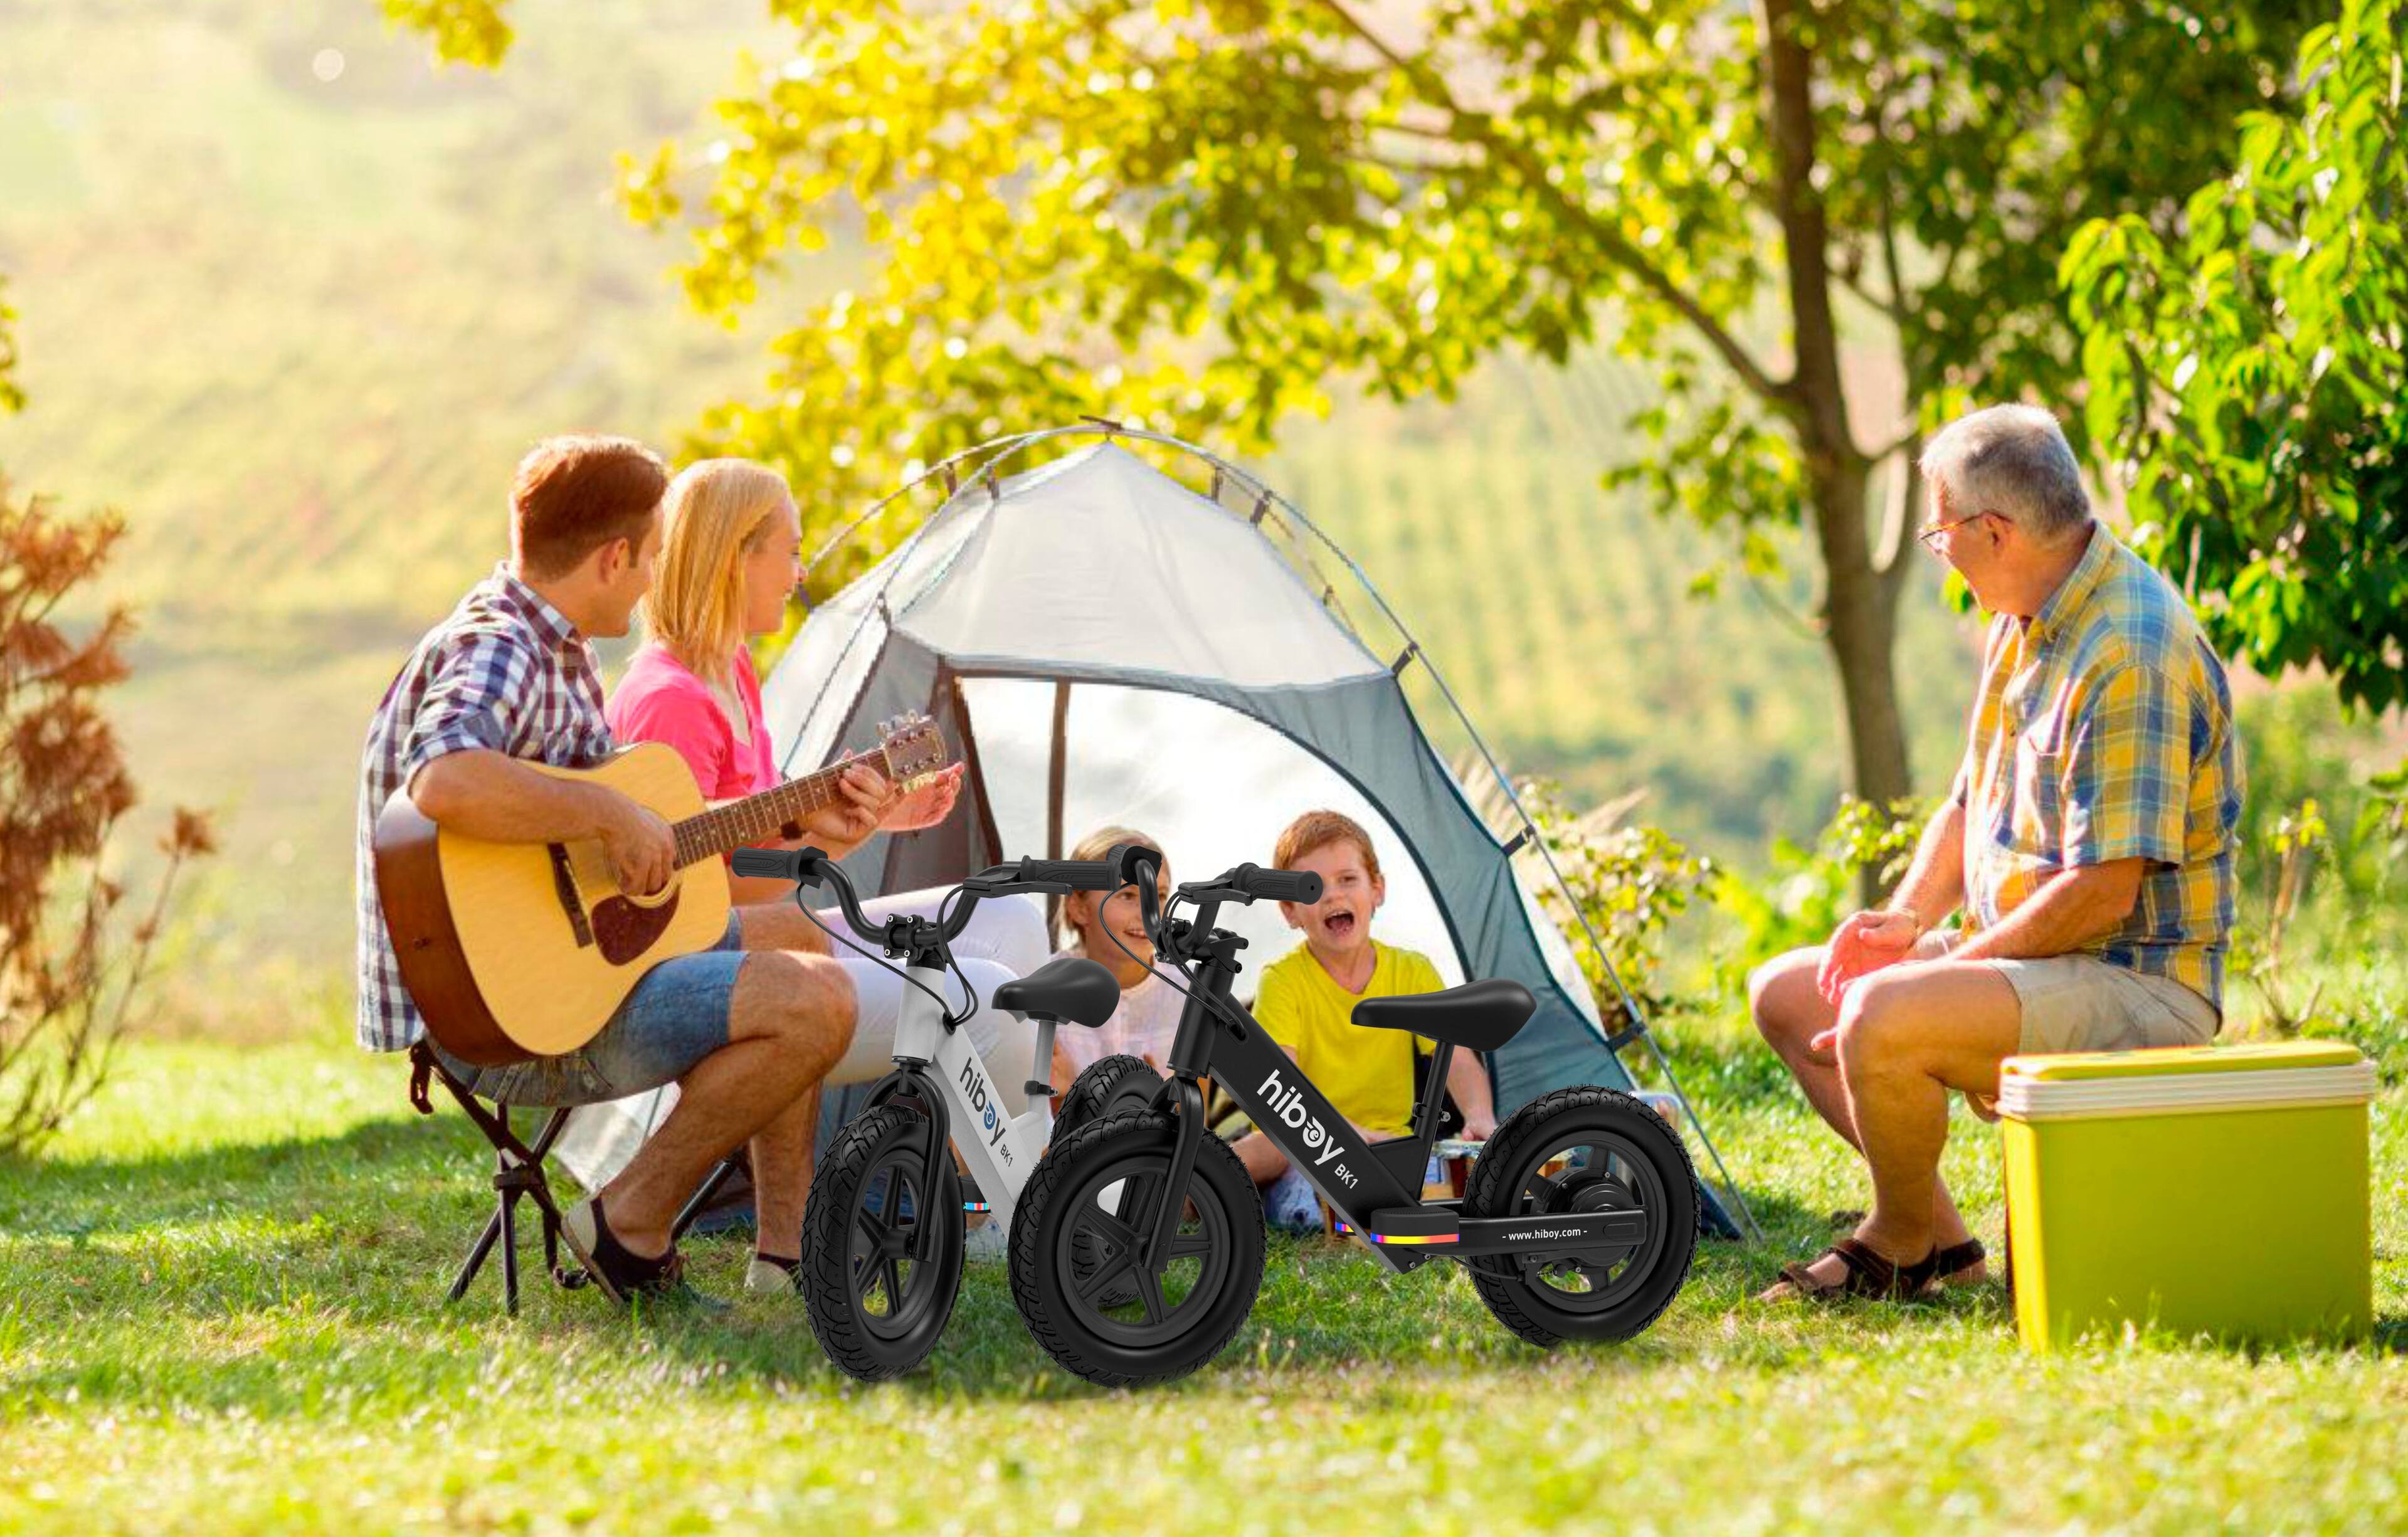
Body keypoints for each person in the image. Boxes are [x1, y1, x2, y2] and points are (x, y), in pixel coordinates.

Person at [1750, 404, 2241, 1304]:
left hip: (2139, 980)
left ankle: (1894, 1241)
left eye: (1942, 534)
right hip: (2043, 952)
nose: (1942, 552)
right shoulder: (2027, 611)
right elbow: (1968, 801)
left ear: (1996, 530)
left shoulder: (2128, 648)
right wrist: (1903, 924)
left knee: (1879, 1015)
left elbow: (2101, 893)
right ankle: (1941, 1240)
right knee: (1789, 990)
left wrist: (1943, 981)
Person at [358, 436, 863, 1304]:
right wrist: (606, 811)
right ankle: (629, 1219)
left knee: (799, 933)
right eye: (650, 559)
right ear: (613, 556)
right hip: (503, 1018)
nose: (652, 582)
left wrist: (799, 819)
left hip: (564, 970)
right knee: (817, 998)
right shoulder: (500, 646)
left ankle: (785, 1258)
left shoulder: (557, 652)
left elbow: (644, 843)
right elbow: (444, 775)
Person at [589, 457, 1050, 1289]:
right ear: (738, 554)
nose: (800, 576)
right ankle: (1026, 1209)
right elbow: (693, 908)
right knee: (985, 994)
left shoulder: (731, 677)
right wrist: (831, 842)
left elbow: (758, 871)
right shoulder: (669, 700)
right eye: (790, 553)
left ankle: (1000, 1197)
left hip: (761, 938)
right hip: (701, 977)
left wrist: (866, 820)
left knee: (1014, 917)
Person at [1232, 810, 1497, 1230]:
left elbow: (1458, 1060)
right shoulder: (1281, 980)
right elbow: (1279, 1090)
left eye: (1347, 879)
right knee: (1282, 1172)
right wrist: (1344, 1134)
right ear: (1289, 911)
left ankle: (1324, 1208)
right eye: (1312, 887)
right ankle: (1210, 1196)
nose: (1333, 896)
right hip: (1309, 1146)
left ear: (1377, 889)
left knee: (1436, 1179)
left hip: (1390, 1147)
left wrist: (1480, 1114)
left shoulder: (1412, 970)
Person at [1043, 825, 1184, 1096]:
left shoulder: (1188, 998)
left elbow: (1194, 1124)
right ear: (1079, 909)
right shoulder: (1041, 993)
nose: (1149, 912)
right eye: (1128, 895)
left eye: (1161, 896)